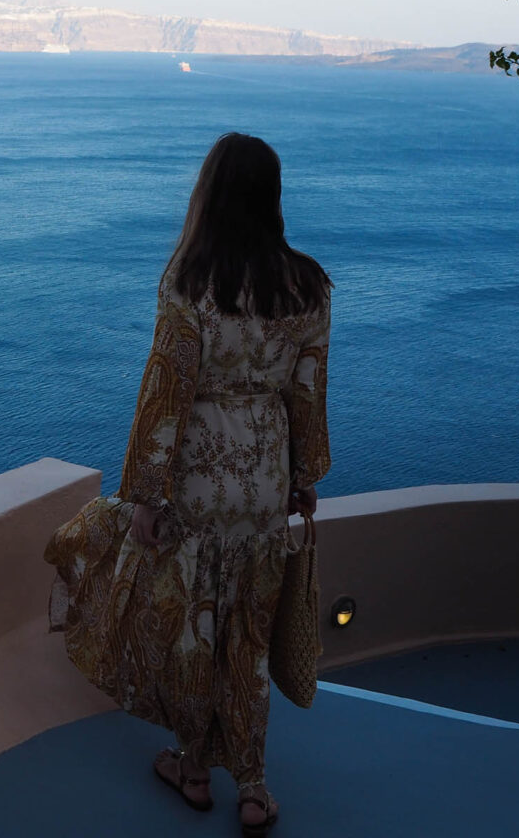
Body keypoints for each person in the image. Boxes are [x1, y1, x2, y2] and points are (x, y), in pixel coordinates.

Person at [44, 131, 332, 836]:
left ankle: (194, 768)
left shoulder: (190, 283)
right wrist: (302, 479)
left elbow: (165, 393)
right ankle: (256, 787)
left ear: (210, 193)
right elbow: (308, 392)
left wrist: (144, 490)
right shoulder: (308, 284)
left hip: (199, 476)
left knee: (195, 630)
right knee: (249, 633)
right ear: (272, 195)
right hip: (263, 476)